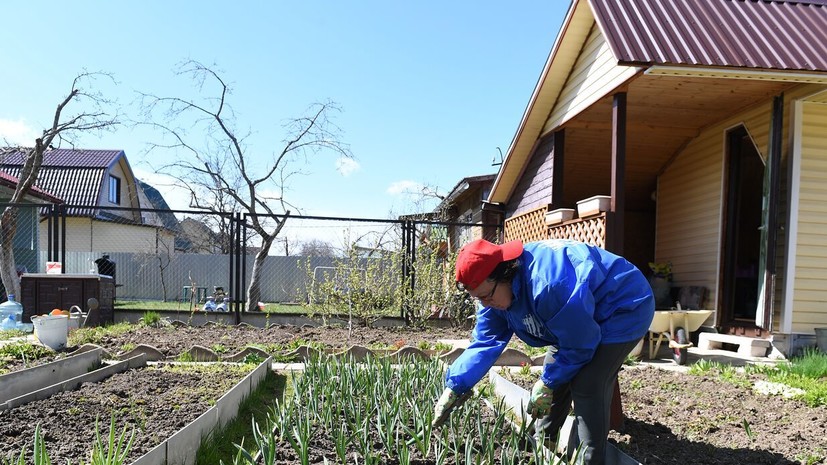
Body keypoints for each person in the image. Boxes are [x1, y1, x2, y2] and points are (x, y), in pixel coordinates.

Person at [432, 238, 654, 465]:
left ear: (505, 273)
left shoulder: (547, 283)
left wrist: (548, 381)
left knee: (588, 382)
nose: (486, 304)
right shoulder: (492, 293)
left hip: (622, 306)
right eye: (479, 299)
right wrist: (455, 386)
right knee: (555, 376)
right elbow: (485, 342)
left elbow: (579, 342)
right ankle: (542, 444)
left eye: (487, 296)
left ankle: (590, 459)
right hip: (575, 317)